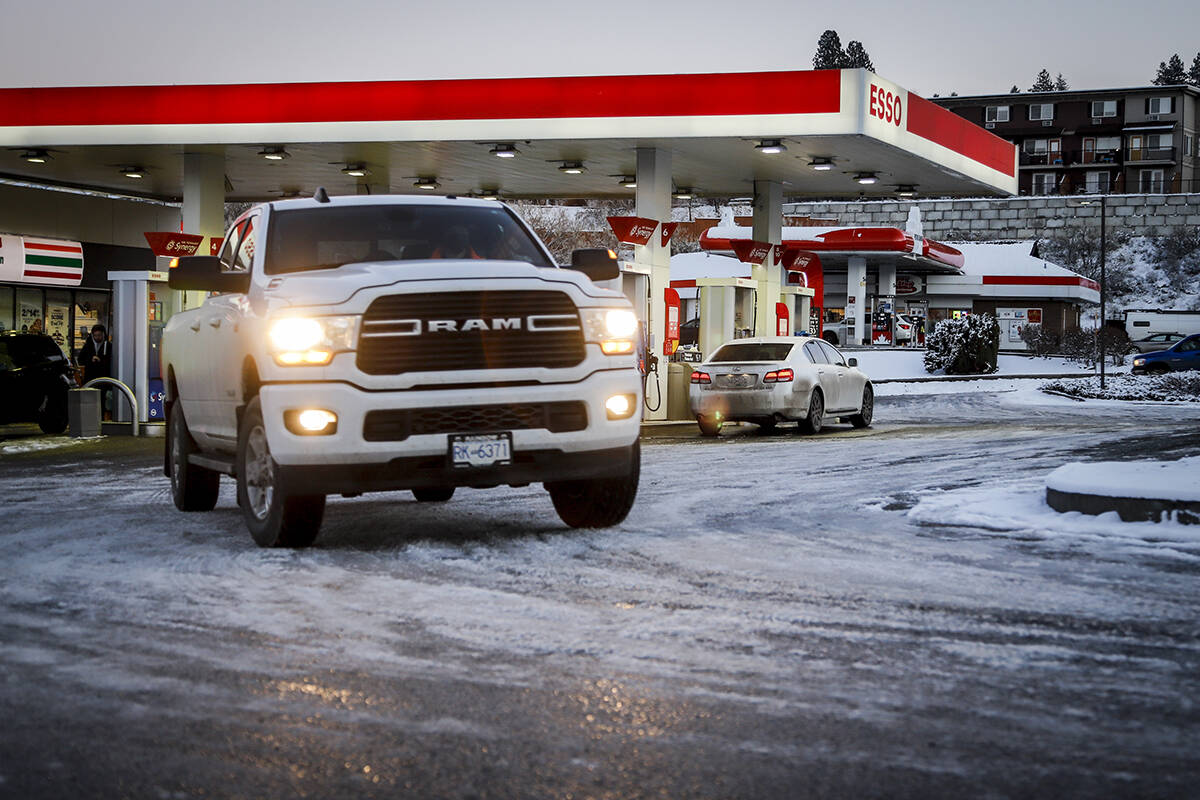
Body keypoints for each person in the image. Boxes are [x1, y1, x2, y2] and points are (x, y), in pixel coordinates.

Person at [79, 324, 113, 419]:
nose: (98, 337)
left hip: (103, 377)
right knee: (90, 399)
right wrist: (90, 359)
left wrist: (101, 360)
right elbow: (80, 359)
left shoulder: (108, 346)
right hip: (90, 376)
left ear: (103, 335)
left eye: (99, 335)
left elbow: (111, 360)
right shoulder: (88, 345)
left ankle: (100, 418)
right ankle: (90, 418)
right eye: (96, 335)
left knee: (102, 400)